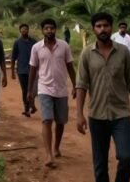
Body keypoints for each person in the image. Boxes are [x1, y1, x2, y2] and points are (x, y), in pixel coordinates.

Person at [76, 12, 130, 182]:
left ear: (111, 28)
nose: (102, 29)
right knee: (100, 162)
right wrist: (79, 114)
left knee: (127, 156)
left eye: (106, 25)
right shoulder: (87, 54)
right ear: (93, 29)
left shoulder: (123, 52)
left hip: (121, 115)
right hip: (97, 116)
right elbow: (81, 85)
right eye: (98, 26)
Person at [28, 18, 77, 168]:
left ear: (55, 29)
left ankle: (56, 147)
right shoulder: (36, 48)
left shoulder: (64, 46)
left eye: (52, 28)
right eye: (46, 28)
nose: (49, 30)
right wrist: (30, 91)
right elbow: (33, 69)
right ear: (42, 30)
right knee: (47, 120)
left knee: (60, 122)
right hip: (44, 89)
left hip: (61, 89)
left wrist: (75, 85)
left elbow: (70, 66)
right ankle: (49, 154)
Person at [12, 23, 37, 117]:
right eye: (22, 29)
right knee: (24, 90)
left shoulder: (34, 42)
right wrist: (12, 72)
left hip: (32, 70)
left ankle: (32, 105)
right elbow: (13, 57)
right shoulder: (17, 42)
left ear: (28, 30)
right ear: (20, 31)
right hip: (21, 70)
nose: (24, 31)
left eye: (26, 29)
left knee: (32, 89)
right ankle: (27, 108)